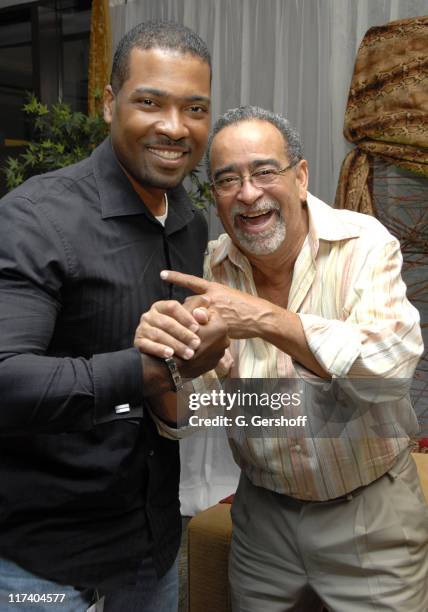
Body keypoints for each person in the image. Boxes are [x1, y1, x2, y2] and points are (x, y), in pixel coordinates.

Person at [136, 106, 428, 611]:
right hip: (262, 518)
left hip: (370, 512)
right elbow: (194, 413)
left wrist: (263, 319)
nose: (248, 194)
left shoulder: (364, 245)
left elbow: (390, 371)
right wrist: (164, 371)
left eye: (264, 171)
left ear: (300, 176)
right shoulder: (210, 269)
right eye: (228, 180)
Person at [0, 21, 229, 612]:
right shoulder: (36, 219)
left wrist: (197, 366)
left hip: (149, 548)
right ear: (108, 104)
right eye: (150, 102)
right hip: (43, 564)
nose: (175, 128)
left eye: (195, 108)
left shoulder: (189, 221)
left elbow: (176, 393)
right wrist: (147, 371)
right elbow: (6, 380)